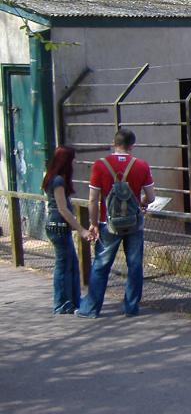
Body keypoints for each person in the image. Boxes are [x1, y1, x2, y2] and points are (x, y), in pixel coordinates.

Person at [76, 129, 154, 318]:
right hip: (134, 223)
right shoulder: (141, 165)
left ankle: (91, 308)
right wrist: (141, 203)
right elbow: (151, 197)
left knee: (101, 265)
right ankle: (131, 307)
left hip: (107, 222)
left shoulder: (100, 165)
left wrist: (93, 223)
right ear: (132, 145)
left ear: (114, 143)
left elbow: (93, 199)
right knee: (134, 264)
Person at [42, 146, 94, 314]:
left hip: (56, 226)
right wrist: (81, 229)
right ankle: (62, 303)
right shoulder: (58, 181)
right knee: (64, 265)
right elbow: (62, 209)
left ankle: (71, 301)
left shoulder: (50, 177)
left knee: (70, 263)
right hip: (58, 226)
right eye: (72, 159)